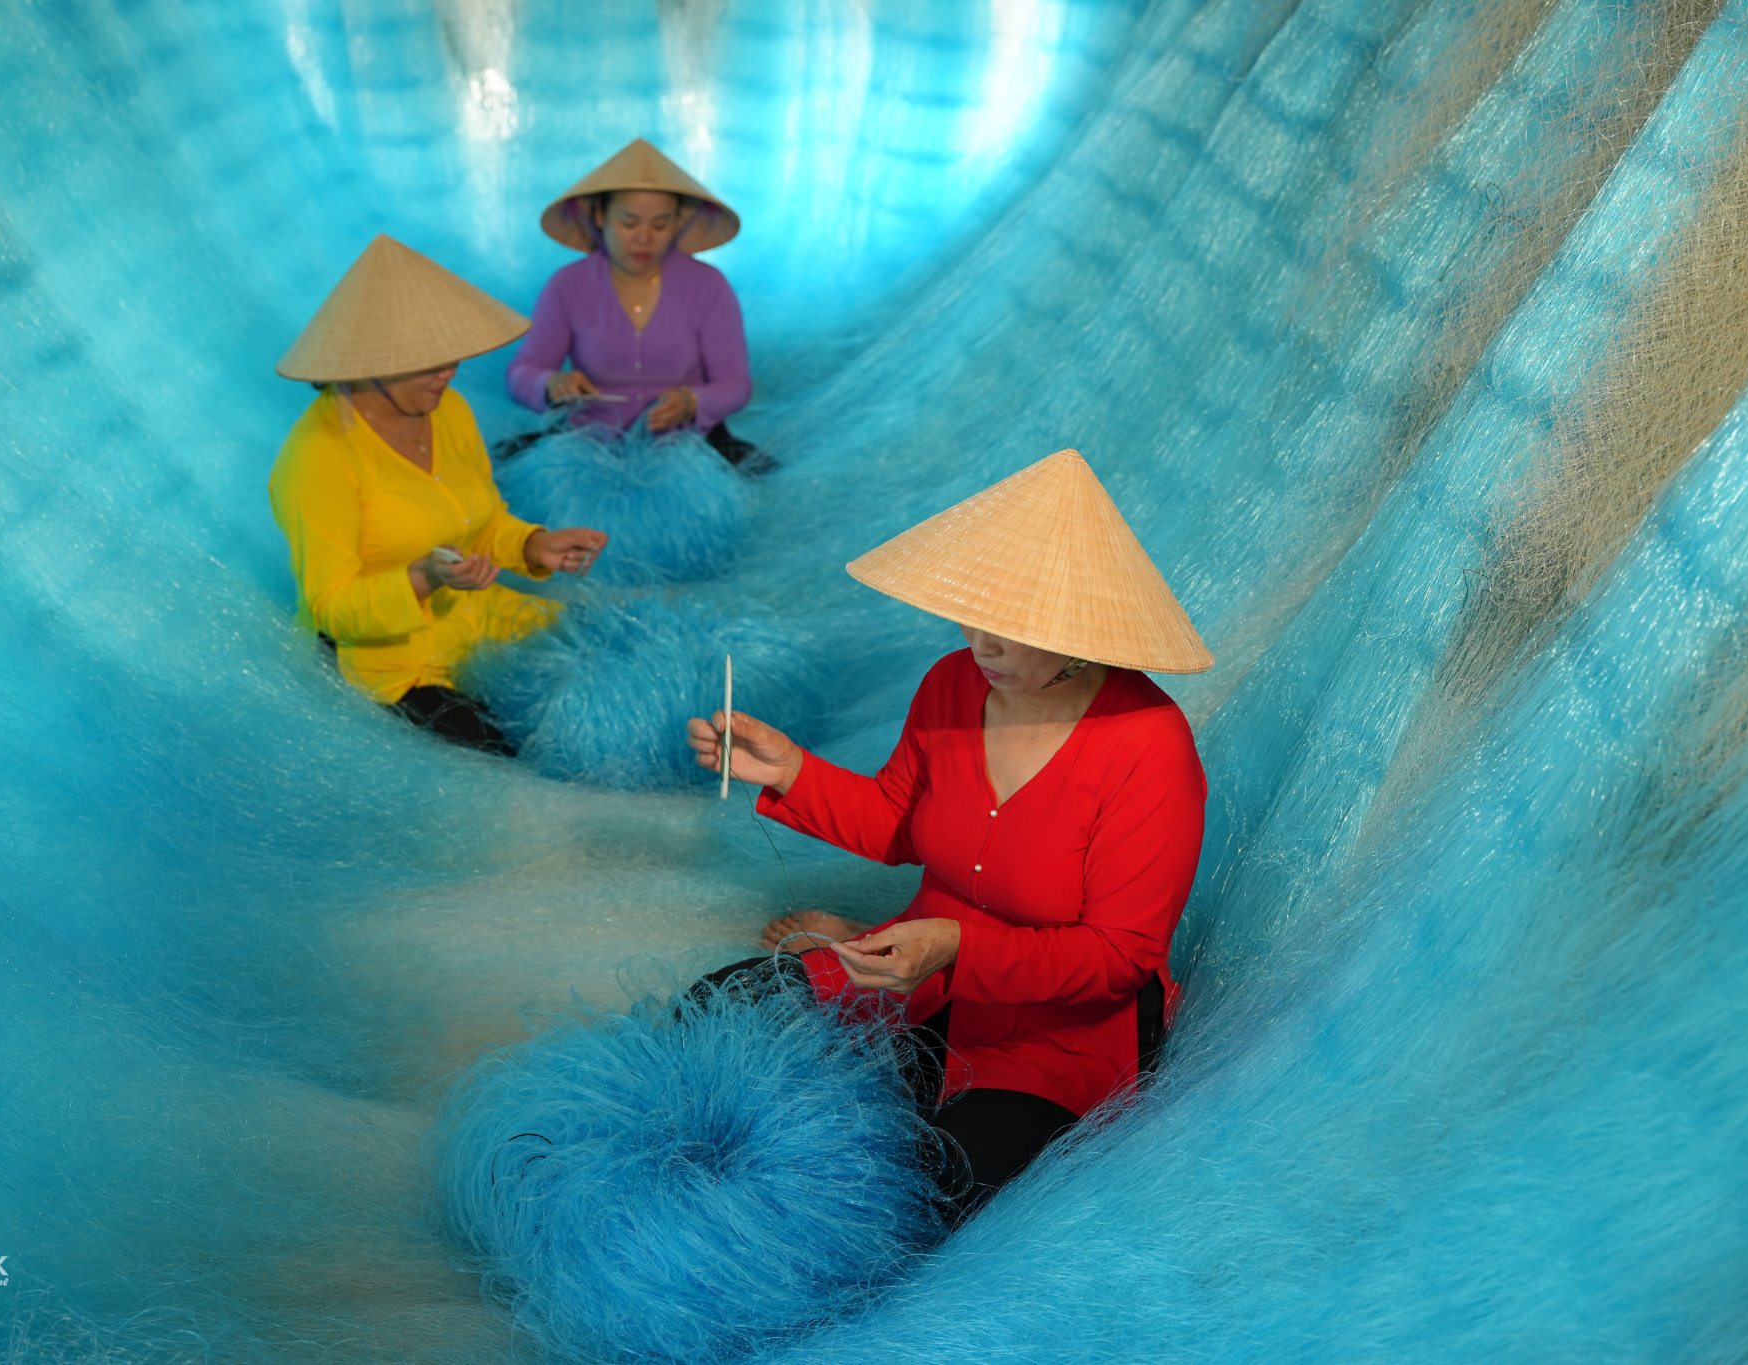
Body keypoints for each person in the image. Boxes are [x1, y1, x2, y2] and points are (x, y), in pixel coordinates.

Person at [685, 449, 1213, 1218]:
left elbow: (1118, 957)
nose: (980, 643)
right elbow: (899, 824)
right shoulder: (949, 684)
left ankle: (853, 940)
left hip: (1058, 1033)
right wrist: (791, 770)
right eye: (972, 611)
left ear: (1080, 629)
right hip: (918, 967)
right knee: (718, 1005)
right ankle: (854, 939)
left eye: (1011, 626)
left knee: (928, 1189)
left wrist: (956, 949)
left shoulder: (1150, 744)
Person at [269, 234, 609, 753]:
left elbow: (482, 519)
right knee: (511, 754)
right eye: (429, 362)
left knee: (605, 646)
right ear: (370, 360)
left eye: (449, 356)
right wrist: (422, 578)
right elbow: (330, 607)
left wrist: (533, 545)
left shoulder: (448, 410)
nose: (448, 373)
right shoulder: (316, 458)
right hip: (391, 667)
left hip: (478, 619)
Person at [504, 139, 759, 467]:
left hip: (688, 446)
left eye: (660, 225)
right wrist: (551, 383)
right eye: (629, 223)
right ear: (599, 215)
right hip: (588, 443)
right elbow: (520, 374)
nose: (644, 238)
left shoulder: (709, 286)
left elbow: (736, 385)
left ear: (677, 223)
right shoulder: (567, 285)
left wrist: (691, 401)